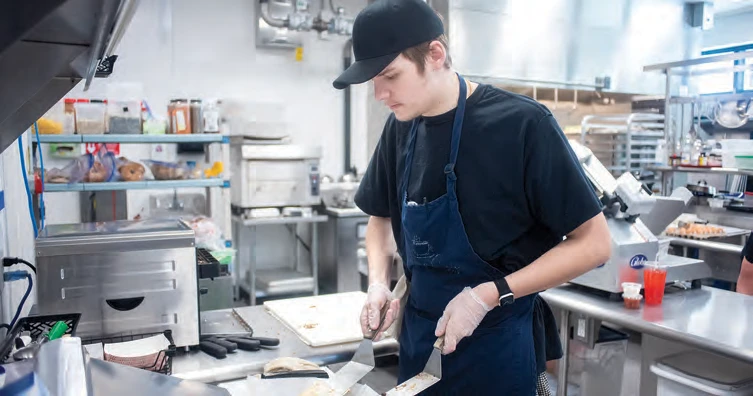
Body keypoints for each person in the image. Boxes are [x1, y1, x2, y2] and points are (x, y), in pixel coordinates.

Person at [333, 0, 612, 394]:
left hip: (496, 350)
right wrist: (379, 282)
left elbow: (595, 244)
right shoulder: (400, 129)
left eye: (390, 76)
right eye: (373, 81)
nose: (379, 93)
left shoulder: (522, 125)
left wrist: (488, 295)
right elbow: (378, 218)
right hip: (418, 346)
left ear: (435, 54)